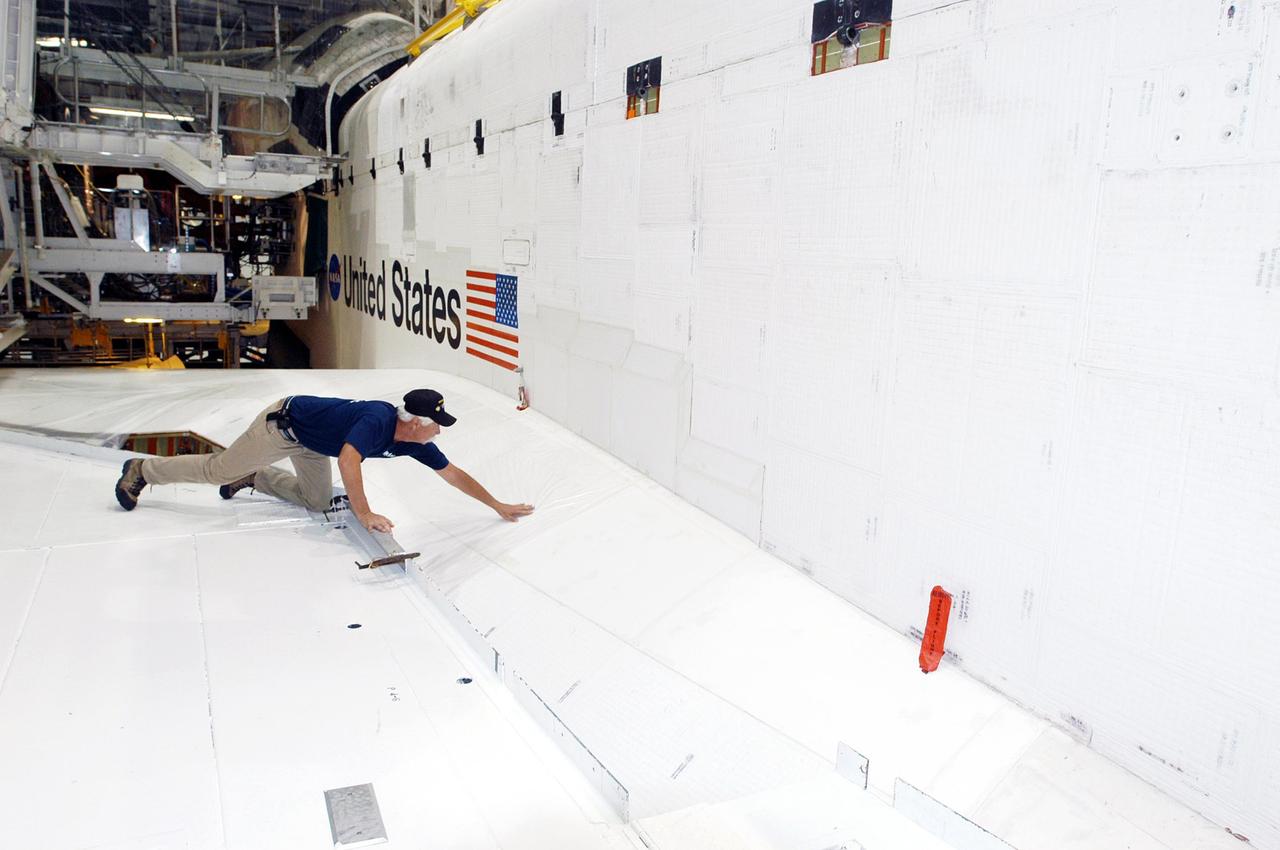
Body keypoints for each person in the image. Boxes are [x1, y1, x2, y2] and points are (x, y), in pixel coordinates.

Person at [114, 389, 534, 532]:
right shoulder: (377, 419)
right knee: (216, 471)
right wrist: (364, 512)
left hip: (313, 444)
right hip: (282, 427)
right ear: (416, 422)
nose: (438, 432)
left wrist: (496, 504)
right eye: (435, 425)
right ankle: (142, 470)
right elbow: (350, 461)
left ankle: (257, 478)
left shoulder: (414, 442)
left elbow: (453, 473)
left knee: (316, 501)